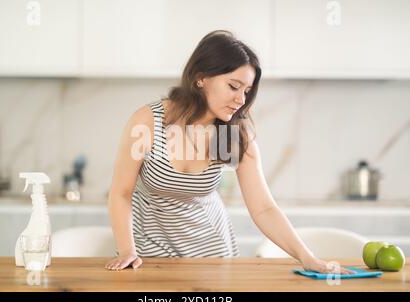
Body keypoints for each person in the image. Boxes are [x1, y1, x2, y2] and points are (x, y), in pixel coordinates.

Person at [104, 30, 355, 275]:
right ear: (201, 78)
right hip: (148, 251)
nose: (241, 100)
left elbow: (263, 208)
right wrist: (127, 250)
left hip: (210, 252)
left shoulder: (234, 133)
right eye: (234, 86)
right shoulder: (149, 120)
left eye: (246, 91)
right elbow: (121, 192)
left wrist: (307, 257)